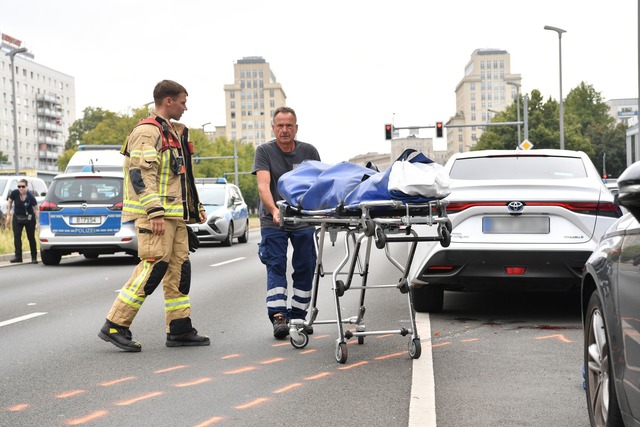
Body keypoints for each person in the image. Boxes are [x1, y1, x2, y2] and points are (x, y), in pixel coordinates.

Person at [98, 80, 210, 352]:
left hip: (174, 216)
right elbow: (140, 174)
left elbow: (178, 178)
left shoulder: (173, 131)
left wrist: (195, 209)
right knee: (152, 268)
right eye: (182, 101)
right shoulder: (148, 131)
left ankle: (179, 328)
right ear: (168, 100)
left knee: (179, 270)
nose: (186, 106)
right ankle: (115, 324)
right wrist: (154, 211)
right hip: (156, 216)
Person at [252, 106, 321, 339]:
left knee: (305, 265)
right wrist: (273, 210)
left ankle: (299, 315)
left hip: (302, 220)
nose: (284, 130)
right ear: (273, 128)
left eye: (288, 125)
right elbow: (263, 185)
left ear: (296, 128)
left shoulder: (309, 151)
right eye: (279, 126)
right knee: (276, 265)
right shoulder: (264, 151)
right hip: (274, 221)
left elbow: (316, 184)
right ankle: (279, 317)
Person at [6, 179, 39, 264]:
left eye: (22, 186)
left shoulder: (31, 197)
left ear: (26, 187)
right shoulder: (15, 193)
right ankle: (18, 256)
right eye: (19, 186)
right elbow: (9, 201)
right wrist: (8, 214)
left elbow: (36, 209)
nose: (20, 188)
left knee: (31, 237)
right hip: (17, 217)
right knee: (17, 237)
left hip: (29, 219)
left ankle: (34, 257)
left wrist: (37, 222)